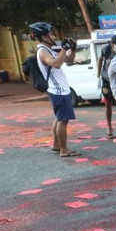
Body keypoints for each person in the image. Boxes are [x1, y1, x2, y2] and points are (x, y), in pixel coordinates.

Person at [29, 21, 79, 158]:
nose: (54, 36)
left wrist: (72, 48)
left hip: (60, 89)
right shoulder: (43, 51)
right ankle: (64, 149)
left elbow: (68, 59)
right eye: (51, 34)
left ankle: (57, 145)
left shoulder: (49, 50)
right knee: (63, 120)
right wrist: (64, 48)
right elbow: (56, 64)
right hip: (57, 90)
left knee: (58, 118)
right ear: (44, 37)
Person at [97, 34, 116, 139]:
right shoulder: (105, 48)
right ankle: (109, 127)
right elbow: (100, 60)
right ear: (112, 44)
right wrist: (98, 75)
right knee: (108, 104)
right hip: (106, 78)